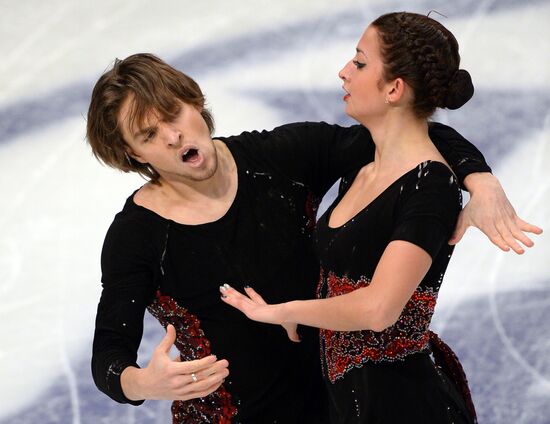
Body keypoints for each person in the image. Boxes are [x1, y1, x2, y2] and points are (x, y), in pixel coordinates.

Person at [86, 51, 540, 423]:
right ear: (132, 153)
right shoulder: (136, 236)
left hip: (344, 399)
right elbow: (109, 352)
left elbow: (416, 137)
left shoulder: (279, 158)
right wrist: (141, 383)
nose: (172, 136)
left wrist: (482, 183)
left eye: (174, 114)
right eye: (149, 135)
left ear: (193, 101)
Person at [219, 11, 542, 424]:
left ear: (394, 88)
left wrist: (284, 311)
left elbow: (379, 309)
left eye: (359, 62)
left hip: (404, 402)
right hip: (349, 402)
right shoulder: (361, 166)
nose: (343, 72)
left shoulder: (431, 185)